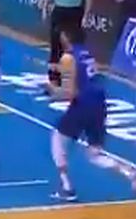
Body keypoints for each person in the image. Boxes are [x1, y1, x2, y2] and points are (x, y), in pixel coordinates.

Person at [47, 28, 136, 201]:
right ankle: (129, 172)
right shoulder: (86, 53)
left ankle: (67, 187)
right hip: (99, 102)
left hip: (83, 104)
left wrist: (52, 90)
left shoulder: (68, 58)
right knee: (94, 154)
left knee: (57, 140)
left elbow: (70, 92)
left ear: (66, 37)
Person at [43, 0, 92, 88]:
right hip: (59, 12)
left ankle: (73, 78)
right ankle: (54, 79)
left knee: (74, 47)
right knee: (55, 46)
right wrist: (45, 8)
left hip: (74, 13)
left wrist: (86, 15)